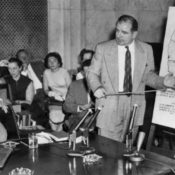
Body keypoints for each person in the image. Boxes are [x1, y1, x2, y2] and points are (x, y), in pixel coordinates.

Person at [87, 14, 175, 142]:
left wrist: (163, 82)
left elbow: (147, 75)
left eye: (124, 32)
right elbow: (91, 72)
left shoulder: (146, 49)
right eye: (117, 30)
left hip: (134, 105)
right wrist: (97, 87)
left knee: (128, 149)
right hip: (109, 103)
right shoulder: (103, 48)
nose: (119, 35)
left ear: (134, 34)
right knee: (107, 150)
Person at [63, 59, 95, 131]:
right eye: (86, 73)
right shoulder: (75, 85)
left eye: (91, 72)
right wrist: (80, 107)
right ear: (82, 73)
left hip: (99, 122)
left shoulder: (105, 86)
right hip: (80, 122)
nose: (88, 75)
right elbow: (66, 106)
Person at [43, 52, 71, 131]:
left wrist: (65, 97)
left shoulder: (64, 72)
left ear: (59, 62)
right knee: (53, 124)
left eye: (54, 60)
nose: (52, 63)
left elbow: (71, 89)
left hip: (66, 99)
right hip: (54, 99)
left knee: (61, 126)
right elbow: (45, 89)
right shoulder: (46, 72)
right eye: (49, 61)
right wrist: (50, 93)